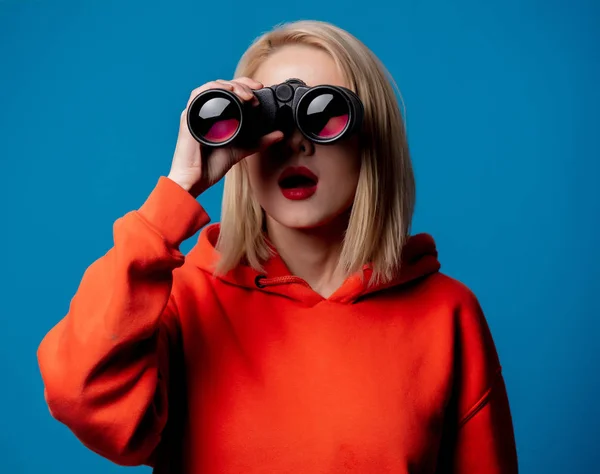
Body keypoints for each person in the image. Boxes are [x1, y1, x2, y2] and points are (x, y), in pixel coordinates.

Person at [37, 20, 518, 473]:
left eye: (324, 114)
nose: (293, 143)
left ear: (370, 137)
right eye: (266, 117)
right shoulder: (184, 304)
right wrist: (176, 193)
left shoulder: (445, 314)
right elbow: (80, 394)